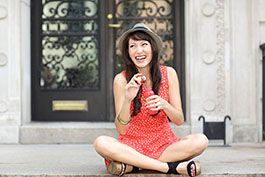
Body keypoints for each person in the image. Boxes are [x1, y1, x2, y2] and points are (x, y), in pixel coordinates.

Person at [93, 23, 208, 176]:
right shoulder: (121, 80)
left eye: (144, 44)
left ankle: (132, 165)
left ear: (153, 48)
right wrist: (128, 99)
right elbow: (121, 129)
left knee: (201, 141)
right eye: (132, 46)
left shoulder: (169, 73)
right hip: (131, 145)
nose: (139, 51)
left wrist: (165, 105)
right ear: (128, 52)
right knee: (101, 143)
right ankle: (169, 167)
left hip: (164, 144)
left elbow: (179, 119)